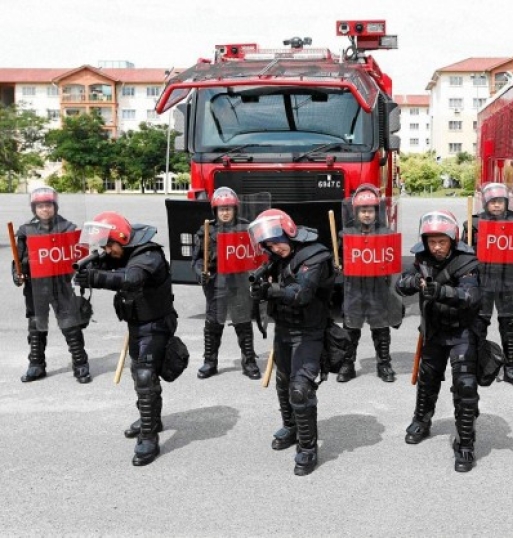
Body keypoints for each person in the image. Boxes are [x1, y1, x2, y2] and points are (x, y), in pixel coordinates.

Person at [74, 212, 178, 466]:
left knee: (145, 376)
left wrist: (96, 278)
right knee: (141, 375)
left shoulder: (149, 254)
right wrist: (93, 266)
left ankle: (148, 436)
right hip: (138, 324)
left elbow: (131, 278)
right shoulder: (124, 250)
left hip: (156, 324)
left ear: (122, 238)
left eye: (110, 245)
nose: (107, 250)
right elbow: (114, 265)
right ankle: (151, 418)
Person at [248, 209, 334, 476]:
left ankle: (308, 449)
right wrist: (259, 287)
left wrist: (271, 290)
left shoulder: (315, 256)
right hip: (284, 329)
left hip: (309, 331)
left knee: (300, 388)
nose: (274, 248)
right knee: (283, 382)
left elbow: (302, 294)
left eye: (277, 242)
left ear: (289, 232)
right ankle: (291, 426)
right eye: (269, 245)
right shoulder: (276, 257)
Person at [396, 210, 482, 472]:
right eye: (432, 241)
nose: (436, 247)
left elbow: (471, 297)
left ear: (452, 239)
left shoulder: (467, 261)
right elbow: (400, 285)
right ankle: (422, 420)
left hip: (462, 331)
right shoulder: (421, 259)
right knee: (428, 378)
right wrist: (415, 282)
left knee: (465, 385)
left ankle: (465, 441)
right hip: (433, 330)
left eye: (441, 241)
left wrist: (442, 291)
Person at [12, 187, 92, 384]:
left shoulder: (67, 228)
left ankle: (80, 364)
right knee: (36, 327)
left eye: (48, 205)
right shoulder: (26, 231)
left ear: (54, 206)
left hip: (61, 285)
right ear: (34, 208)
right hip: (35, 286)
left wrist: (82, 271)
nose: (44, 210)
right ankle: (36, 364)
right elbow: (18, 259)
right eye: (40, 206)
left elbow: (79, 256)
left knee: (71, 326)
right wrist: (17, 274)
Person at [462, 182, 513, 387]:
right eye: (492, 202)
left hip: (508, 280)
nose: (497, 206)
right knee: (478, 325)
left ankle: (511, 367)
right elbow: (464, 256)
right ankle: (477, 364)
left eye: (500, 201)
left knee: (509, 325)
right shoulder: (473, 223)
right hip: (482, 281)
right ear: (485, 203)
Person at [191, 187, 261, 380]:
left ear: (235, 209)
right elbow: (196, 260)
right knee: (213, 324)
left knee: (243, 323)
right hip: (216, 283)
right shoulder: (206, 231)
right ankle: (210, 362)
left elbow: (257, 256)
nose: (225, 212)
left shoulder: (246, 229)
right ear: (215, 211)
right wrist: (200, 272)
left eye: (228, 208)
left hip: (239, 283)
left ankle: (249, 361)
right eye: (221, 209)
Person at [337, 184, 403, 383]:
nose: (367, 214)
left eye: (371, 210)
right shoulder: (345, 234)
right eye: (363, 210)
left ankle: (384, 364)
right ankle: (348, 364)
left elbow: (392, 262)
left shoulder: (386, 233)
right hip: (354, 289)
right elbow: (341, 260)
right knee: (351, 329)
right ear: (356, 212)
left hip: (378, 289)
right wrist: (337, 264)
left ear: (377, 211)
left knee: (381, 328)